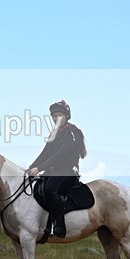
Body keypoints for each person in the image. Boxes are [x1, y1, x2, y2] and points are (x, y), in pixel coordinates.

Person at [27, 100, 87, 239]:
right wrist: (30, 168)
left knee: (49, 189)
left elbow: (61, 155)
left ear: (66, 116)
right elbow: (44, 154)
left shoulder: (72, 133)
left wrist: (39, 168)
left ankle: (60, 226)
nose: (56, 118)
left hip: (67, 172)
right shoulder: (54, 133)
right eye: (54, 116)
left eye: (59, 115)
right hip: (53, 171)